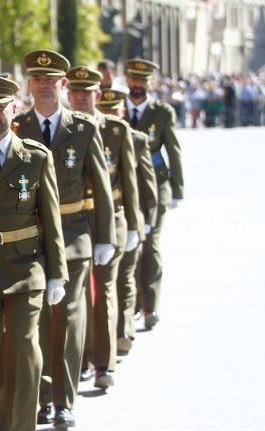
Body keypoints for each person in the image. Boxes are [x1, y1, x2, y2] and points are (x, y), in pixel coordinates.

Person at [14, 50, 115, 428]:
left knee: (69, 317)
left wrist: (104, 237)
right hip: (32, 237)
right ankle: (43, 396)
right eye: (36, 80)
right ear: (29, 84)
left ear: (63, 85)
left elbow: (102, 188)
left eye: (50, 80)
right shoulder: (18, 128)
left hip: (73, 234)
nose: (43, 86)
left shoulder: (84, 127)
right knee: (37, 322)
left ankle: (65, 401)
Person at [0, 74, 67, 431]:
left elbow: (51, 219)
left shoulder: (36, 156)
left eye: (0, 107)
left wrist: (57, 273)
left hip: (27, 269)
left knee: (25, 351)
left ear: (15, 110)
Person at [66, 67, 141, 389]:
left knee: (104, 292)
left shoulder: (115, 129)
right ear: (68, 94)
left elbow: (129, 180)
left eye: (87, 92)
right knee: (78, 296)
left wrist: (135, 226)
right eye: (76, 92)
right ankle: (80, 359)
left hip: (108, 219)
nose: (81, 98)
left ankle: (103, 365)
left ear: (98, 94)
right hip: (74, 222)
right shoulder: (64, 129)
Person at [95, 84, 158, 355]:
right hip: (98, 218)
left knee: (125, 279)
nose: (110, 114)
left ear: (122, 110)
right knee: (107, 285)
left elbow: (143, 185)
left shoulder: (135, 139)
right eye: (104, 109)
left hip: (126, 217)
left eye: (114, 109)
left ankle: (123, 330)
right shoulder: (91, 134)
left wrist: (142, 222)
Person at [124, 58, 184, 330]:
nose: (137, 85)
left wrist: (177, 188)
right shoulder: (117, 111)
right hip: (125, 186)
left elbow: (173, 150)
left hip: (156, 186)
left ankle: (150, 305)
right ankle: (133, 303)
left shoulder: (162, 113)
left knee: (151, 244)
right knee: (129, 244)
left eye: (142, 81)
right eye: (133, 80)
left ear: (150, 83)